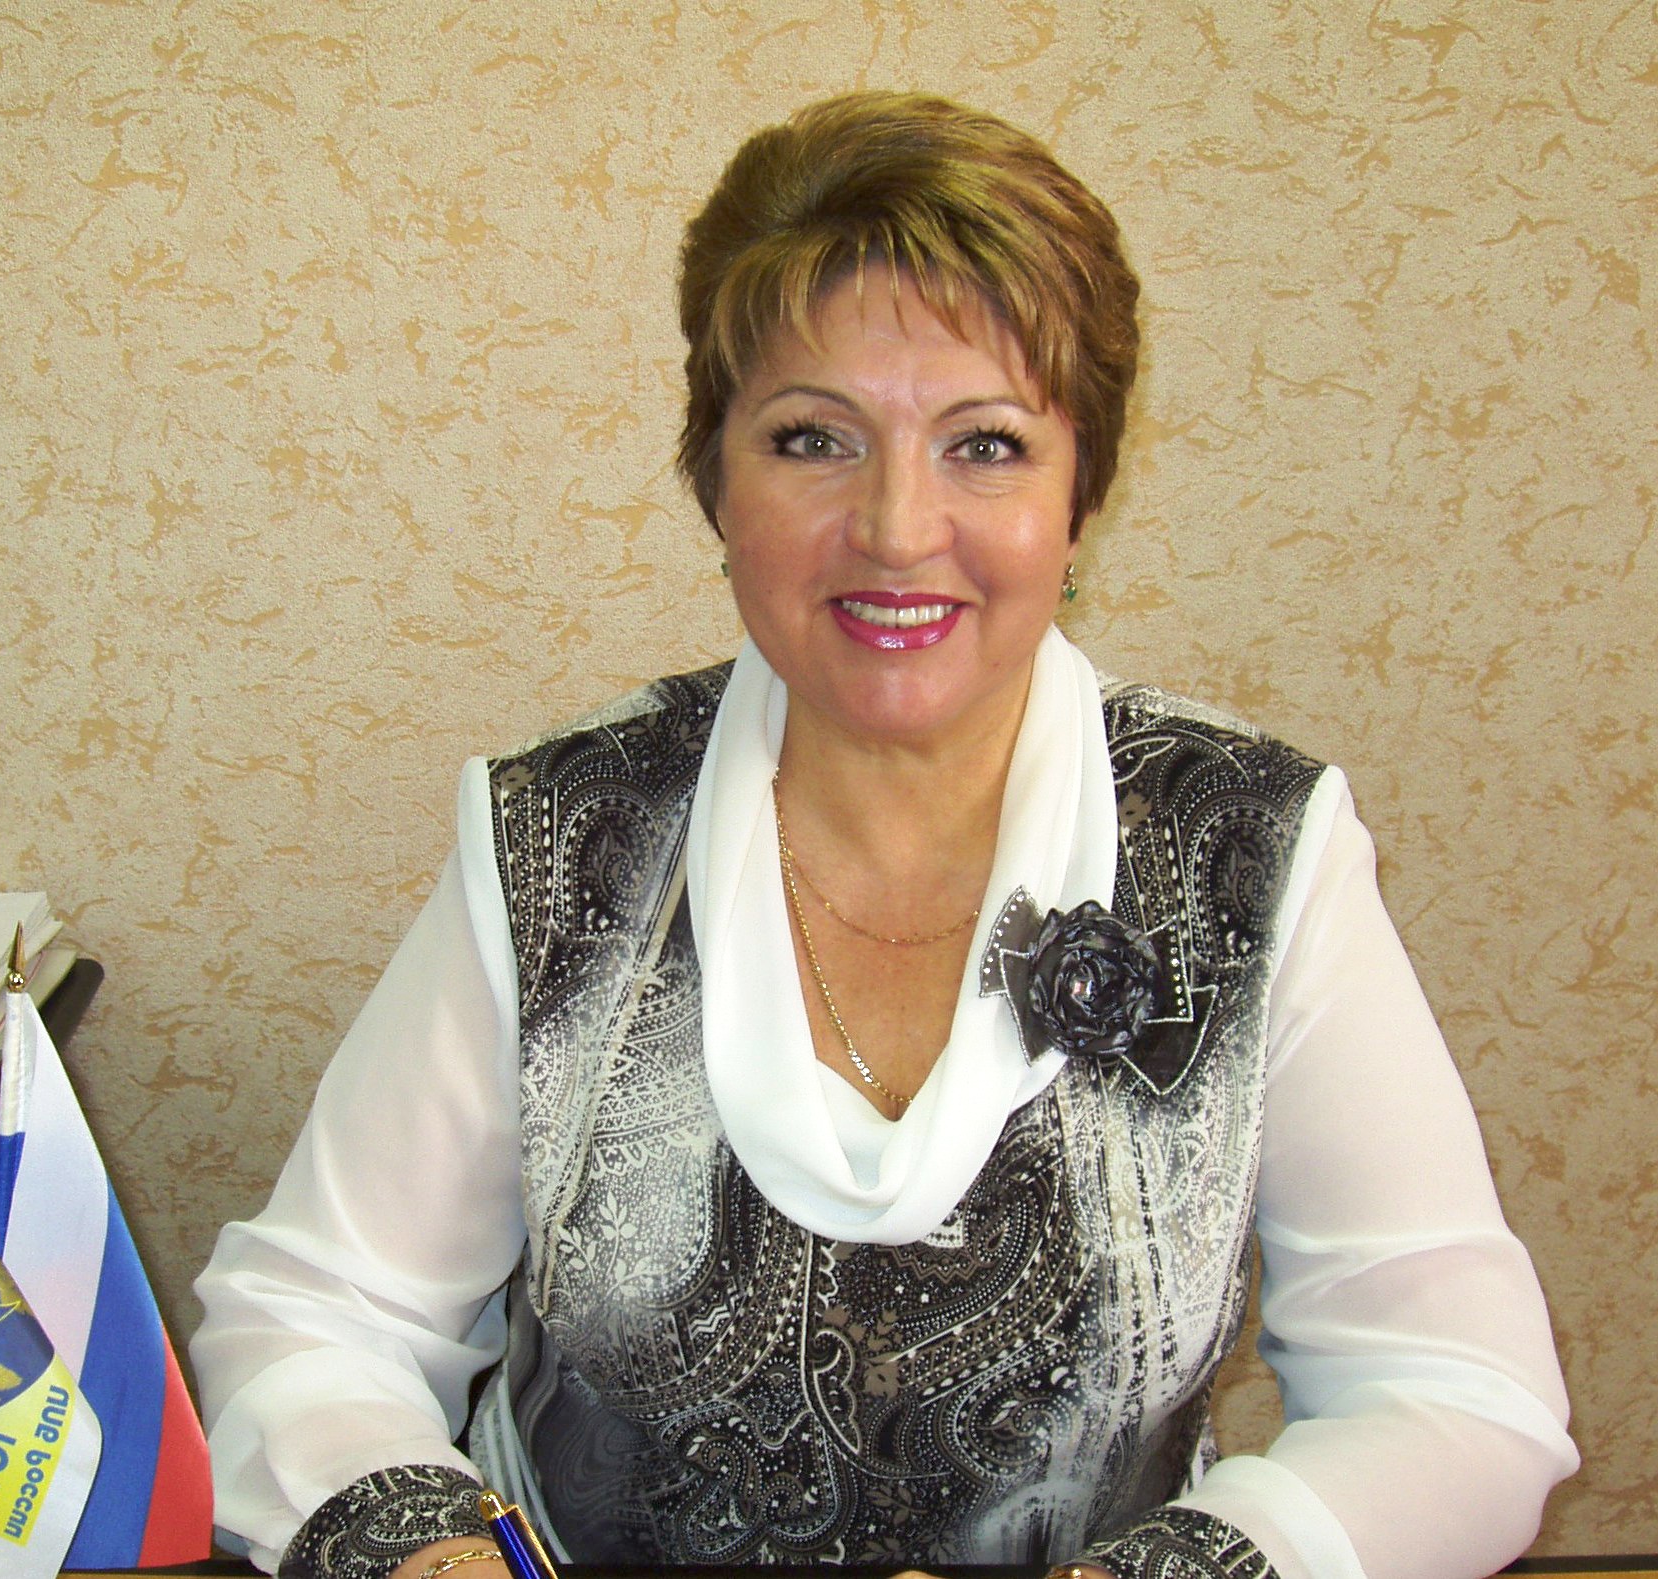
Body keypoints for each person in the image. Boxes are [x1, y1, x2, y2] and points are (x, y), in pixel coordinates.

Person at [191, 92, 1577, 1579]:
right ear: (715, 480)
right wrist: (442, 1564)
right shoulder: (561, 834)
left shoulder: (1252, 846)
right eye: (813, 439)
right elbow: (316, 1313)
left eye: (985, 445)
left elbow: (1454, 1394)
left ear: (1079, 493)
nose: (899, 528)